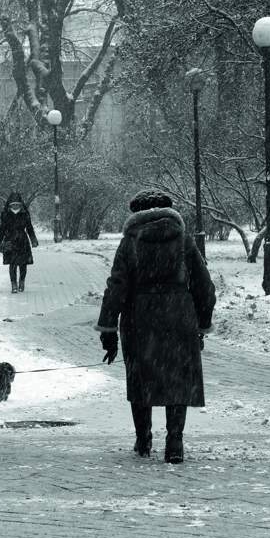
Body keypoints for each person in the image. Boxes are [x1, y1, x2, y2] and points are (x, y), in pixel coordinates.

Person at [96, 189, 215, 463]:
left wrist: (108, 330)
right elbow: (204, 287)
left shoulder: (129, 243)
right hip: (179, 316)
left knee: (141, 378)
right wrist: (202, 324)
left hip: (140, 318)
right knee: (177, 378)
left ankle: (143, 439)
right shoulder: (183, 240)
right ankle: (175, 443)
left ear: (136, 213)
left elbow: (116, 287)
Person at [0, 192, 39, 293]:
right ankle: (13, 284)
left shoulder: (25, 214)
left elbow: (29, 228)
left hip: (23, 242)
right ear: (10, 205)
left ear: (20, 204)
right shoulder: (5, 215)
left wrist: (33, 240)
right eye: (13, 204)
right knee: (12, 264)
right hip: (10, 241)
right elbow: (2, 231)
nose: (15, 206)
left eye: (17, 204)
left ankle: (21, 281)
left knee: (23, 264)